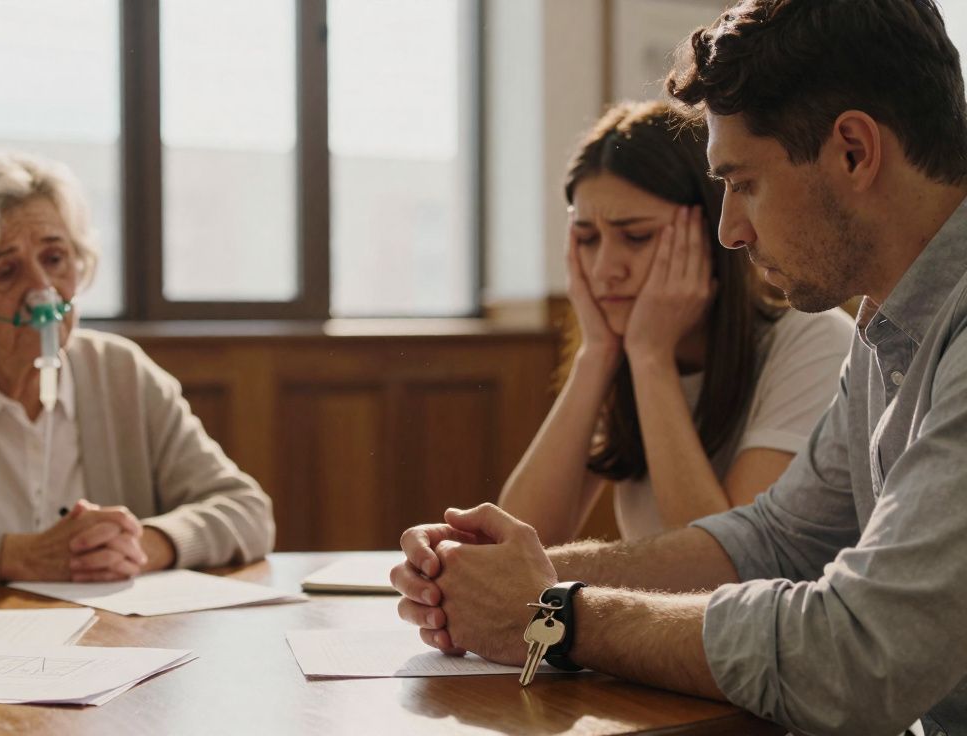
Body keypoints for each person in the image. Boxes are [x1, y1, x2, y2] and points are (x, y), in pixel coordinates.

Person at [393, 0, 967, 733]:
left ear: (854, 151)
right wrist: (507, 573)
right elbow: (771, 541)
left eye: (744, 182)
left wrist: (554, 614)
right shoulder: (887, 324)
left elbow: (859, 656)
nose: (730, 229)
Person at [0, 151, 276, 586]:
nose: (43, 293)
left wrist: (144, 545)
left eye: (54, 259)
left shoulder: (121, 374)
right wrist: (12, 556)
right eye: (6, 271)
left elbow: (247, 510)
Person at [498, 100, 851, 545]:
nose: (606, 268)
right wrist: (596, 355)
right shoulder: (617, 352)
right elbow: (518, 544)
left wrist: (650, 360)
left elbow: (729, 571)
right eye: (586, 239)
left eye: (637, 236)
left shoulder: (815, 344)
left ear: (712, 234)